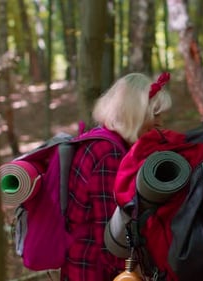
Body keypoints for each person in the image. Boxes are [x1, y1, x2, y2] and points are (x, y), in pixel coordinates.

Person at [60, 72, 172, 281]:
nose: (161, 122)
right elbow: (111, 239)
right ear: (134, 114)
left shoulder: (100, 142)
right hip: (93, 271)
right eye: (155, 115)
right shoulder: (108, 154)